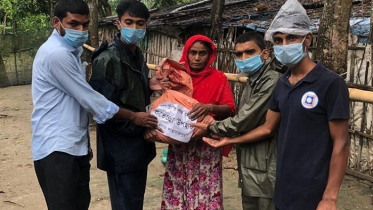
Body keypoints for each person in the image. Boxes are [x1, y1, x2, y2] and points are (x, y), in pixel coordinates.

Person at [196, 0, 350, 210]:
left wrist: (330, 198)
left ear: (307, 39)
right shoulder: (282, 83)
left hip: (312, 188)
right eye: (278, 39)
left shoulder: (330, 83)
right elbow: (267, 128)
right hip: (281, 183)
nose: (285, 45)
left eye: (292, 38)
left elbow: (341, 143)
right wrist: (229, 140)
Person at [31, 0, 158, 209]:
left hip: (74, 145)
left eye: (85, 24)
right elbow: (92, 100)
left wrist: (84, 145)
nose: (81, 30)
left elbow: (77, 105)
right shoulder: (58, 54)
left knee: (81, 203)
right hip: (57, 146)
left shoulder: (74, 52)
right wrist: (134, 117)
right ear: (56, 22)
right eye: (73, 24)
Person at [146, 35, 236, 209]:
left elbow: (230, 108)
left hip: (206, 144)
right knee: (178, 190)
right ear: (186, 53)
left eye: (202, 53)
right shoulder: (177, 76)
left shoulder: (219, 78)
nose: (196, 58)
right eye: (193, 52)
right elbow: (165, 107)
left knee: (206, 191)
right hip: (179, 144)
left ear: (210, 55)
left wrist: (210, 107)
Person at [89, 1, 164, 210]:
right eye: (129, 22)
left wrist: (148, 87)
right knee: (125, 203)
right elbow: (100, 107)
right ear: (118, 23)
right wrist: (135, 120)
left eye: (140, 23)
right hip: (119, 147)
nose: (135, 28)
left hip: (138, 144)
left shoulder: (136, 54)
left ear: (146, 26)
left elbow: (127, 93)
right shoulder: (107, 59)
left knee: (134, 201)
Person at [203, 31, 281, 210]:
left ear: (265, 53)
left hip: (266, 162)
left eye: (250, 52)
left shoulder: (271, 81)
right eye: (239, 54)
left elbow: (243, 120)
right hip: (251, 161)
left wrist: (211, 127)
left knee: (266, 202)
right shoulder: (254, 79)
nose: (243, 58)